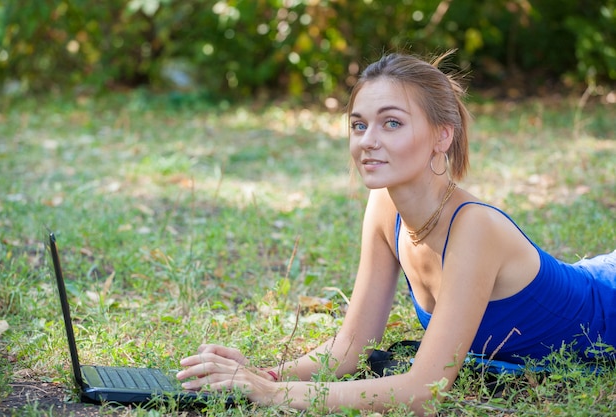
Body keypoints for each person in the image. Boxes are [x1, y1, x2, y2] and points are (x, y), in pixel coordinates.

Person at [175, 51, 616, 415]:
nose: (367, 140)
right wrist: (265, 374)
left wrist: (274, 396)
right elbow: (350, 348)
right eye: (358, 124)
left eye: (391, 123)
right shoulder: (386, 205)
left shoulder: (475, 226)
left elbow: (425, 392)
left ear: (442, 136)